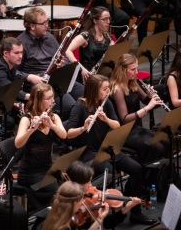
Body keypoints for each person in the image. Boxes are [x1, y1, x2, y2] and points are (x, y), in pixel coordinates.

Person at [66, 74, 156, 225]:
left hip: (106, 148)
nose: (108, 91)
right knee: (108, 170)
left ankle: (131, 209)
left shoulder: (105, 103)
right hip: (88, 151)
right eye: (105, 89)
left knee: (136, 168)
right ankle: (102, 215)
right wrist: (83, 128)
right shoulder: (79, 106)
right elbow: (68, 134)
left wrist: (106, 119)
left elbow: (117, 125)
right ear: (94, 90)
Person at [16, 7, 84, 120]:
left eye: (47, 21)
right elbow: (14, 72)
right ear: (32, 26)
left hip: (58, 78)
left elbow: (64, 57)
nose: (47, 26)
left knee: (88, 95)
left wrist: (62, 63)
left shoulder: (49, 37)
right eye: (43, 23)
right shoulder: (21, 44)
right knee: (71, 106)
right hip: (41, 85)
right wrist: (29, 77)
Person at [15, 82, 67, 211]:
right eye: (48, 98)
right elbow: (17, 143)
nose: (52, 101)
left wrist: (52, 125)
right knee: (58, 195)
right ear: (38, 100)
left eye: (52, 97)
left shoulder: (53, 117)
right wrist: (31, 130)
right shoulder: (26, 119)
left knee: (69, 188)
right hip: (30, 173)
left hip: (47, 167)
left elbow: (64, 135)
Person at [109, 53, 169, 163]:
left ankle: (163, 177)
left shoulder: (132, 82)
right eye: (133, 69)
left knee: (166, 141)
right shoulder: (117, 89)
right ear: (123, 70)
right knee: (157, 147)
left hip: (135, 128)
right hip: (124, 133)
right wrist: (146, 109)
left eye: (137, 68)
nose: (136, 72)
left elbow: (145, 100)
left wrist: (150, 96)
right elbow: (125, 119)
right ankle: (148, 176)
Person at [66, 161, 143, 229]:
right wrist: (99, 218)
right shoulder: (69, 210)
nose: (91, 185)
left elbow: (106, 224)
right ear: (77, 183)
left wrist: (126, 209)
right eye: (88, 181)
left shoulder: (87, 200)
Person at [65, 6, 115, 84]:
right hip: (87, 77)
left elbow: (115, 53)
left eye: (109, 19)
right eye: (105, 19)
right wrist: (82, 69)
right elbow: (67, 50)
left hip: (102, 75)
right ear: (95, 21)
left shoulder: (107, 36)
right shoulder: (86, 36)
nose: (108, 22)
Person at [42, 181, 109, 230]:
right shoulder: (64, 227)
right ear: (74, 203)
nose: (83, 202)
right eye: (81, 200)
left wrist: (100, 218)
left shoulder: (55, 215)